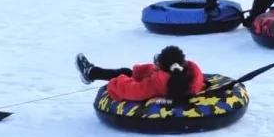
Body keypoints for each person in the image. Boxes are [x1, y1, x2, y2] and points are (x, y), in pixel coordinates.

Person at [74, 46, 205, 102]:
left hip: (156, 88)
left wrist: (116, 82)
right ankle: (91, 73)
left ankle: (90, 73)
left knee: (124, 73)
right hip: (166, 75)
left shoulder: (157, 84)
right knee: (129, 71)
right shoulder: (192, 73)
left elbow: (132, 90)